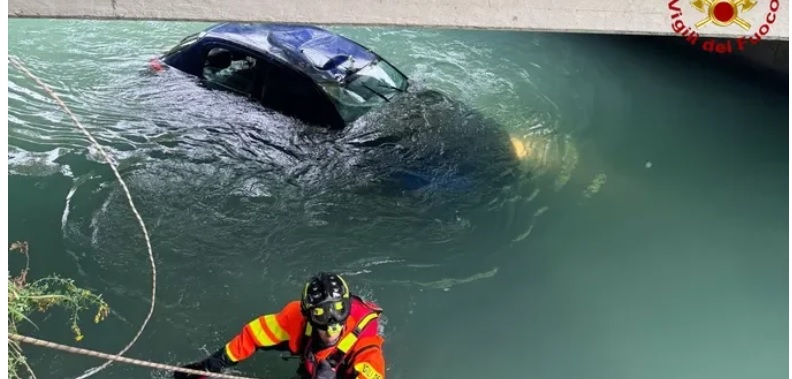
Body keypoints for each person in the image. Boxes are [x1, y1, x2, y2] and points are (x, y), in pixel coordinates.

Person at [173, 272, 386, 379]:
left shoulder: (366, 347)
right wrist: (210, 366)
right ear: (308, 316)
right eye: (322, 318)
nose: (332, 329)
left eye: (338, 320)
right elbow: (254, 334)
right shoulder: (295, 319)